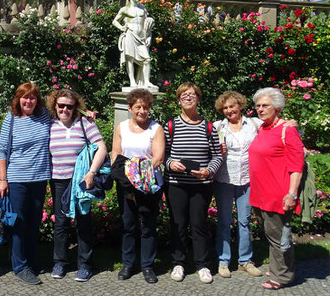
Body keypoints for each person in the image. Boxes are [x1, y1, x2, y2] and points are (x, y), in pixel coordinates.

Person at [164, 82, 222, 284]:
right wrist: (171, 164)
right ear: (179, 100)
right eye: (184, 95)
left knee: (199, 224)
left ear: (198, 99)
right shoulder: (170, 126)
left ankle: (202, 265)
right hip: (176, 184)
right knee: (178, 224)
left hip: (201, 185)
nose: (188, 98)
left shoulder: (208, 127)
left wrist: (208, 170)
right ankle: (178, 263)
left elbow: (217, 156)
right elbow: (164, 155)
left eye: (192, 95)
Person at [47, 89, 107, 282]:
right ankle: (60, 262)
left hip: (80, 181)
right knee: (61, 223)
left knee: (83, 222)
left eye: (69, 106)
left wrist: (92, 172)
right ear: (55, 106)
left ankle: (85, 265)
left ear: (76, 108)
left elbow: (102, 147)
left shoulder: (84, 124)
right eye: (61, 105)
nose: (65, 109)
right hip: (58, 180)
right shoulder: (49, 125)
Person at [249, 87, 304, 289]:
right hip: (260, 193)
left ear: (277, 107)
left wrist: (291, 194)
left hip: (277, 195)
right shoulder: (263, 128)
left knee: (279, 236)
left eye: (265, 105)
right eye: (258, 106)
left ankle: (282, 277)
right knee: (271, 234)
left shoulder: (286, 130)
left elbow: (296, 166)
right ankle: (277, 267)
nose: (261, 109)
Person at [0, 83, 50, 285]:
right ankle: (20, 266)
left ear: (38, 100)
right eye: (24, 97)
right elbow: (2, 150)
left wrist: (85, 113)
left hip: (40, 178)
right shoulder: (11, 119)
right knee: (19, 223)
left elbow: (67, 110)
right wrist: (2, 179)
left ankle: (30, 261)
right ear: (18, 99)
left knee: (34, 223)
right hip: (17, 179)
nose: (28, 101)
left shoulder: (45, 115)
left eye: (32, 98)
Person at [111, 89, 164, 284]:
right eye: (138, 107)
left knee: (148, 225)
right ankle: (127, 263)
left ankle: (147, 266)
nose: (142, 111)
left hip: (148, 184)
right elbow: (116, 152)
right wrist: (126, 174)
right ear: (130, 108)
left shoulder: (155, 128)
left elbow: (158, 157)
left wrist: (139, 173)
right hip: (126, 183)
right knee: (128, 224)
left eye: (145, 107)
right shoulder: (122, 127)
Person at [213, 91, 263, 279]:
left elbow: (278, 124)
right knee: (224, 222)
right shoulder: (218, 127)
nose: (229, 110)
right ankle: (223, 261)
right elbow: (209, 149)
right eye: (225, 108)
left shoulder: (255, 124)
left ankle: (245, 261)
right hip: (224, 179)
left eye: (232, 106)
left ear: (240, 105)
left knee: (245, 221)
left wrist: (292, 123)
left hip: (247, 179)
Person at [112, 0, 157, 91]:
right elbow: (115, 21)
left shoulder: (143, 9)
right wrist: (122, 28)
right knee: (130, 59)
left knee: (146, 59)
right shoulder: (125, 9)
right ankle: (132, 81)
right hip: (130, 34)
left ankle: (146, 81)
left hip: (141, 37)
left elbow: (147, 25)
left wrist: (149, 37)